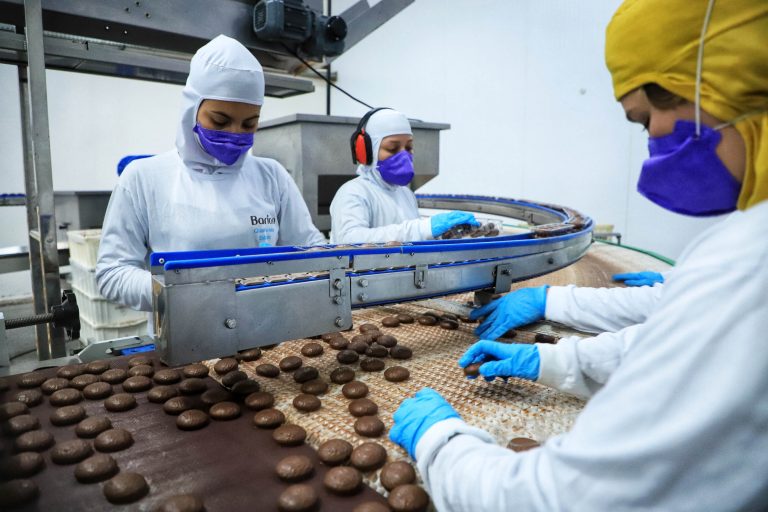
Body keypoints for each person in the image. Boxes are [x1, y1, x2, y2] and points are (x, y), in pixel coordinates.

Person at [390, 1, 768, 510]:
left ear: (724, 81)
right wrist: (551, 356)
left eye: (646, 118)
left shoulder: (748, 262)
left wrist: (442, 445)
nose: (653, 137)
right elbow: (677, 350)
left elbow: (571, 498)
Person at [96, 35, 325, 312]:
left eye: (249, 124)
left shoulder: (271, 176)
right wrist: (181, 293)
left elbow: (310, 249)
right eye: (220, 121)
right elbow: (112, 273)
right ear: (192, 109)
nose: (234, 134)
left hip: (271, 334)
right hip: (186, 337)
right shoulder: (144, 178)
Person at [329, 108, 478, 244]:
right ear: (367, 152)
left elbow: (412, 242)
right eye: (392, 148)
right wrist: (422, 228)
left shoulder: (406, 194)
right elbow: (349, 241)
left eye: (408, 147)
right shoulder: (353, 192)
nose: (403, 155)